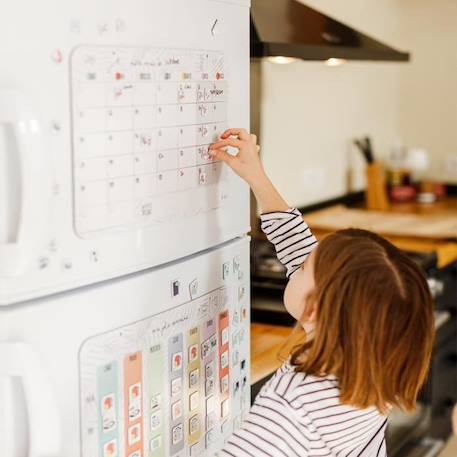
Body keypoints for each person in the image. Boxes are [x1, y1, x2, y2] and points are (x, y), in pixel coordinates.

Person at [209, 129, 435, 457]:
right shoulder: (375, 363)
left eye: (302, 268)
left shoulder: (293, 405)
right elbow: (298, 245)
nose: (297, 261)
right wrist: (256, 176)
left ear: (314, 310)